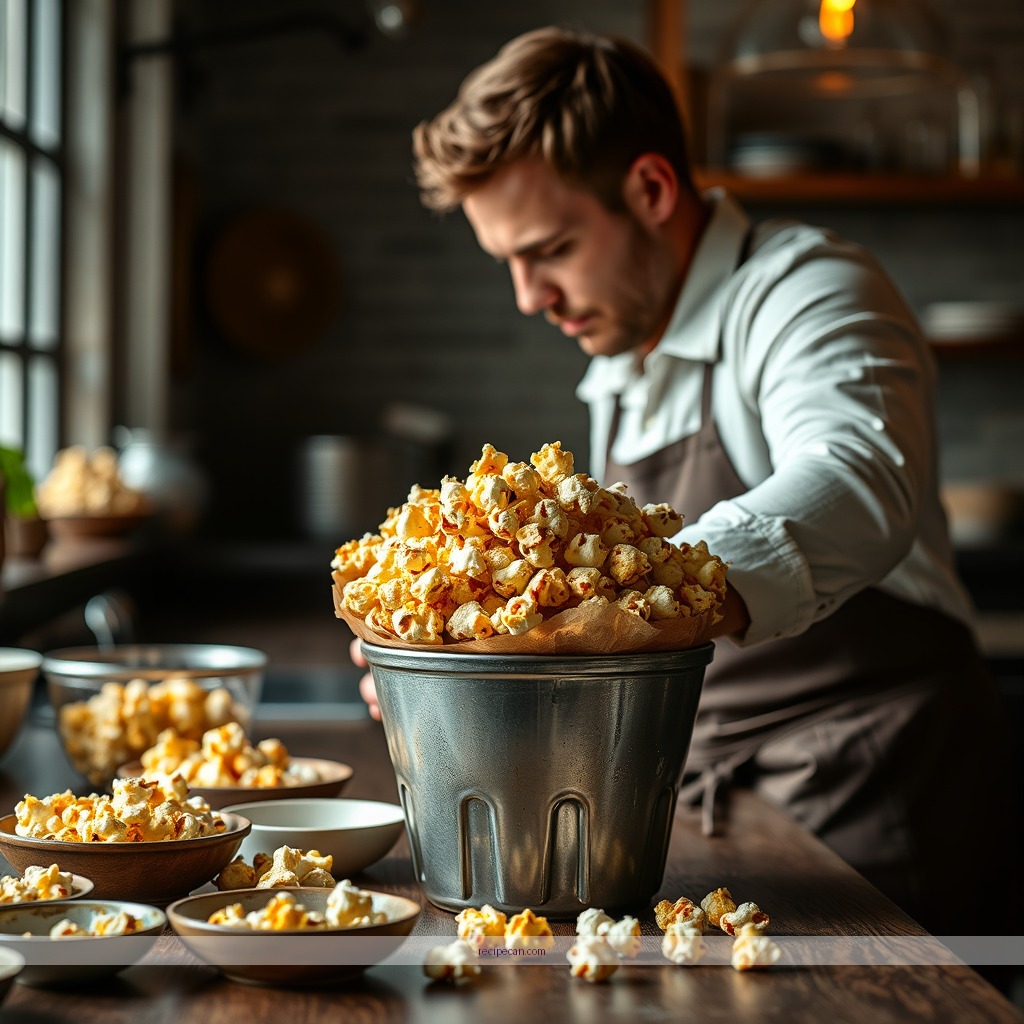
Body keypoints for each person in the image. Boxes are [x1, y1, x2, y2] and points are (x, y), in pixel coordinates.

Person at [354, 26, 1018, 936]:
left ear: (652, 189)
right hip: (712, 816)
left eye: (548, 249)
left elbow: (859, 480)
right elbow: (602, 630)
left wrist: (605, 603)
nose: (527, 295)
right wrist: (470, 666)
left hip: (882, 805)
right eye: (506, 260)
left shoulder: (811, 293)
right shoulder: (625, 356)